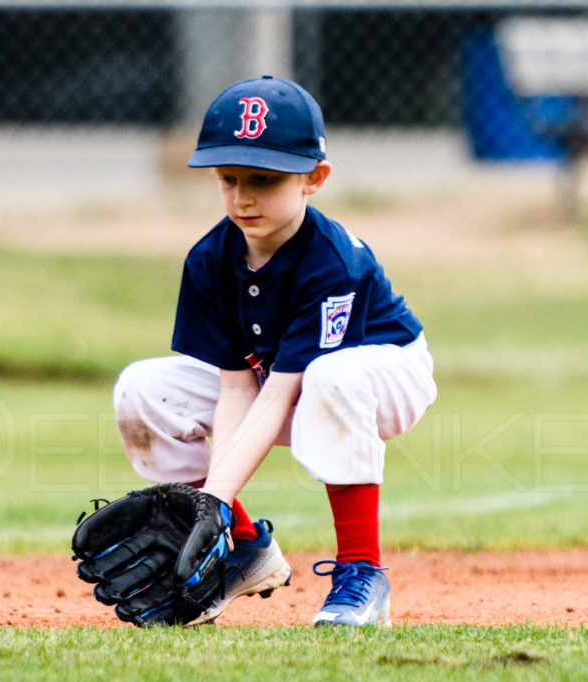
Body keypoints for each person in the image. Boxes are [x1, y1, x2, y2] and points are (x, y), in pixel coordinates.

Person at [114, 75, 437, 627]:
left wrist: (210, 497)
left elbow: (282, 392)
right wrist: (216, 509)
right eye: (229, 178)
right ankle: (240, 550)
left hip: (386, 376)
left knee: (331, 376)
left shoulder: (332, 262)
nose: (243, 197)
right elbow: (238, 388)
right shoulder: (210, 260)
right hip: (284, 384)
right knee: (143, 391)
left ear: (314, 178)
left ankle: (363, 573)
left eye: (264, 179)